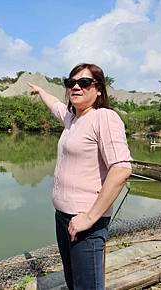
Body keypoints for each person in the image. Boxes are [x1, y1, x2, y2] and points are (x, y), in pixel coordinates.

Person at [28, 63, 132, 290]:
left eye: (84, 82)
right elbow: (56, 106)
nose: (75, 87)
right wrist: (41, 91)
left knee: (87, 286)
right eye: (70, 82)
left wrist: (89, 217)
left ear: (99, 90)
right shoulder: (72, 119)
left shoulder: (104, 117)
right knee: (73, 282)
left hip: (87, 223)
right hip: (63, 219)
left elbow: (122, 169)